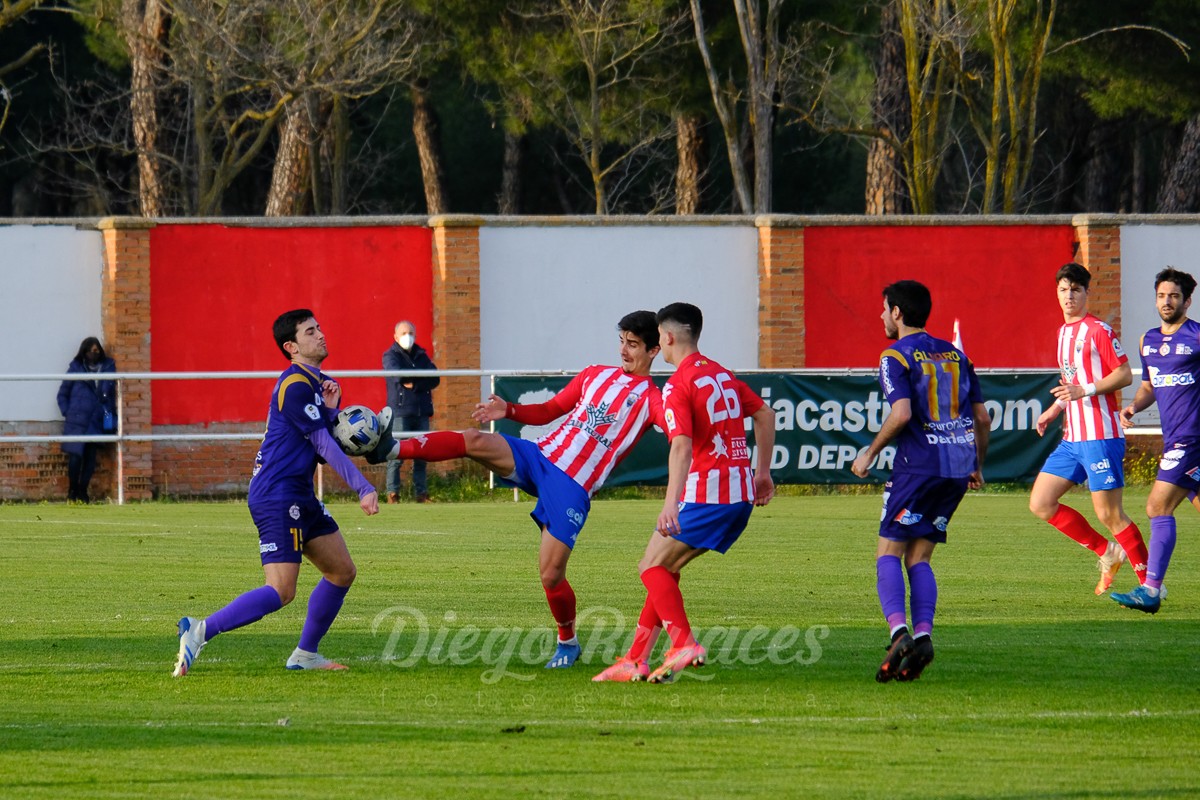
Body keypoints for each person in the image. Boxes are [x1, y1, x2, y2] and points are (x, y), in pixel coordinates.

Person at [368, 311, 664, 670]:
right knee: (474, 439)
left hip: (572, 486)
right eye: (622, 341)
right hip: (540, 455)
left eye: (633, 345)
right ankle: (391, 449)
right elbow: (551, 409)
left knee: (550, 574)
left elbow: (682, 437)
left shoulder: (654, 400)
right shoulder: (595, 375)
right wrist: (507, 408)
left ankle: (567, 641)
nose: (624, 351)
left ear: (654, 350)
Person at [172, 309, 380, 677]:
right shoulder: (294, 386)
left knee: (341, 571)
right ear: (291, 347)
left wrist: (333, 413)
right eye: (310, 331)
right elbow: (324, 445)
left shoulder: (319, 384)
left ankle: (305, 655)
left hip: (298, 492)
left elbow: (315, 449)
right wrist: (362, 487)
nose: (320, 335)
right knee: (282, 590)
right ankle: (200, 630)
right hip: (277, 494)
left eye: (319, 327)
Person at [592, 303, 775, 684]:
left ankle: (683, 644)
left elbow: (681, 446)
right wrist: (761, 474)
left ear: (669, 337)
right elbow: (766, 415)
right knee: (663, 566)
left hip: (708, 495)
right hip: (737, 495)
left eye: (658, 337)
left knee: (652, 567)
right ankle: (636, 658)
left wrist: (670, 504)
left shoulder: (678, 383)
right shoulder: (721, 374)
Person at [850, 281, 989, 683]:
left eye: (883, 309)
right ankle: (924, 636)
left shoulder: (895, 355)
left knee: (888, 553)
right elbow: (982, 419)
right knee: (920, 557)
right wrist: (977, 463)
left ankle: (898, 633)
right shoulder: (957, 354)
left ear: (896, 312)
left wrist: (870, 453)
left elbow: (902, 414)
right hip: (957, 468)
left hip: (918, 466)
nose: (881, 317)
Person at [1029, 262, 1148, 594]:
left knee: (1109, 514)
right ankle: (1108, 552)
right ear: (1057, 293)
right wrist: (1054, 408)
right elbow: (1071, 382)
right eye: (1064, 289)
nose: (1069, 296)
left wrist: (1086, 390)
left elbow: (1124, 374)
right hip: (1072, 438)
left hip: (1100, 436)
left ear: (1086, 293)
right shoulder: (1062, 333)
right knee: (1041, 502)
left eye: (1076, 290)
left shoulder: (1098, 330)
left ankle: (1149, 585)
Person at [1111, 267, 1200, 613]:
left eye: (1174, 296)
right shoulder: (1147, 340)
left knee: (1156, 506)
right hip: (1176, 437)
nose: (1167, 301)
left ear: (1187, 301)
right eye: (1162, 295)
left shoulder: (1196, 336)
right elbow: (1150, 384)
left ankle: (1151, 590)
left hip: (1190, 440)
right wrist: (1133, 405)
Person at [382, 320, 440, 503]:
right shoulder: (390, 355)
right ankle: (393, 493)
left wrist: (415, 384)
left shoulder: (421, 355)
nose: (408, 337)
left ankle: (421, 494)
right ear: (395, 336)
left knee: (422, 455)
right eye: (404, 333)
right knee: (396, 454)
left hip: (421, 411)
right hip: (400, 412)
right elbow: (399, 376)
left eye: (411, 333)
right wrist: (417, 379)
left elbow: (434, 378)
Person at [56, 337, 117, 503]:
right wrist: (68, 413)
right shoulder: (76, 368)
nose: (94, 353)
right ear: (84, 351)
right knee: (75, 457)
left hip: (96, 419)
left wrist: (109, 424)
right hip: (76, 420)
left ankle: (83, 492)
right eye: (91, 350)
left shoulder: (108, 367)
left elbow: (110, 399)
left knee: (90, 459)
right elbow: (62, 394)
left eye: (97, 350)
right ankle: (72, 491)